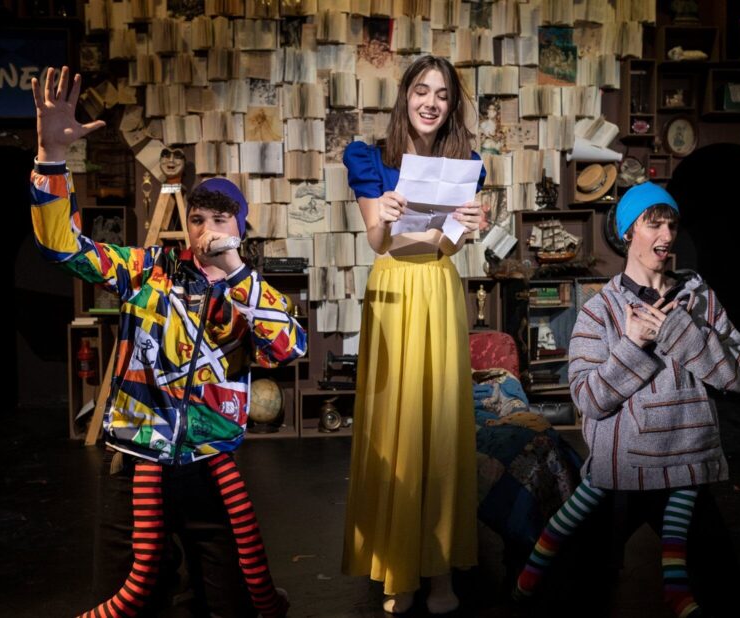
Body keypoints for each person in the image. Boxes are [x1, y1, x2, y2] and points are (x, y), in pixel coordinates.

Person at [30, 66, 304, 618]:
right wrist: (51, 159)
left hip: (212, 470)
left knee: (233, 603)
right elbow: (64, 248)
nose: (205, 230)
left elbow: (288, 349)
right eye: (197, 219)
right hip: (133, 465)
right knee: (127, 602)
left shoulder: (253, 293)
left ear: (241, 228)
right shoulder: (147, 270)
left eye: (220, 219)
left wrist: (235, 274)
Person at [513, 181, 740, 618]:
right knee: (572, 593)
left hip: (688, 462)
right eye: (653, 224)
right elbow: (588, 399)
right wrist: (632, 344)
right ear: (628, 232)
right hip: (619, 472)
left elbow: (737, 377)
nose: (665, 236)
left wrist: (678, 332)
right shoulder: (597, 311)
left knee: (725, 593)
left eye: (672, 224)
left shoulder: (700, 299)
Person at [340, 55, 485, 615]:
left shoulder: (466, 162)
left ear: (451, 106)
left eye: (442, 95)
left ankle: (441, 569)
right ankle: (399, 571)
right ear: (404, 96)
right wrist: (384, 214)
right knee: (396, 428)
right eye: (421, 90)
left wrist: (473, 226)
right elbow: (379, 243)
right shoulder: (371, 158)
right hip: (394, 292)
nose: (431, 102)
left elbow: (446, 246)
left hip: (439, 289)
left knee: (442, 428)